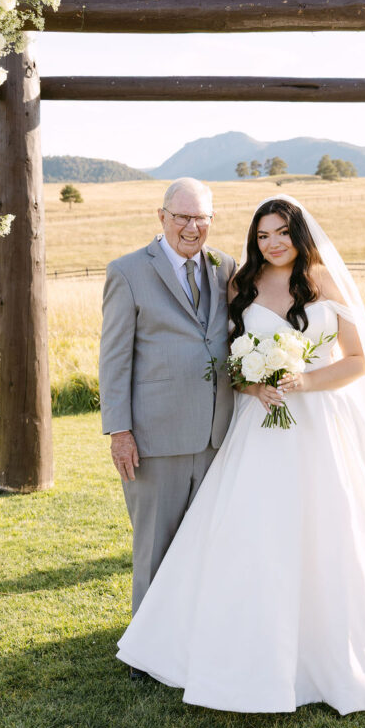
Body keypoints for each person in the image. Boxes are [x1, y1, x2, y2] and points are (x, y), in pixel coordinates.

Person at [116, 194, 365, 714]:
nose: (273, 243)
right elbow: (228, 361)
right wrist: (253, 387)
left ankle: (336, 647)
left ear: (299, 234)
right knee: (253, 533)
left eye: (281, 233)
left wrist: (304, 380)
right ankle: (238, 643)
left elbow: (356, 361)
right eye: (263, 235)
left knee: (334, 530)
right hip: (260, 427)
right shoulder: (240, 283)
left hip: (322, 424)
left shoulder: (323, 282)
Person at [99, 177, 236, 643]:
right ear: (162, 217)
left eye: (201, 218)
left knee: (210, 544)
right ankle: (149, 644)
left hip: (219, 434)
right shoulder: (128, 271)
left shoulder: (226, 268)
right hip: (154, 437)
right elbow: (114, 358)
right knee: (155, 547)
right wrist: (120, 431)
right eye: (182, 217)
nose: (192, 227)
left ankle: (197, 635)